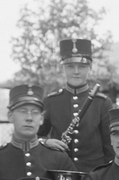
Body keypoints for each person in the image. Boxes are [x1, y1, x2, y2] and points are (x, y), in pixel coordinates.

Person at [39, 38, 114, 170]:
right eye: (70, 67)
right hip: (60, 170)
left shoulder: (102, 103)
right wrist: (46, 141)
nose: (76, 71)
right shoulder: (51, 101)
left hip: (94, 174)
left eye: (82, 66)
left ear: (90, 67)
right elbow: (36, 136)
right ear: (62, 68)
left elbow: (109, 146)